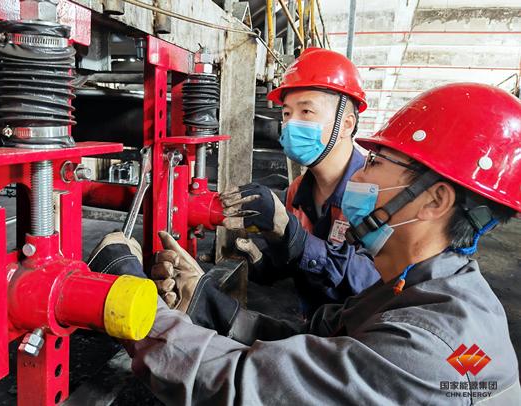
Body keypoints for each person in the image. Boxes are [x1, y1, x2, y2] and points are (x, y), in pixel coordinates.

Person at [91, 83, 521, 404]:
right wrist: (207, 302)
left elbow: (246, 386)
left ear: (435, 200)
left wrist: (130, 299)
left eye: (374, 162)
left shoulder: (428, 350)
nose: (359, 175)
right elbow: (319, 340)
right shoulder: (417, 290)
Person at [221, 48, 380, 315]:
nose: (291, 124)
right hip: (313, 323)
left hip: (361, 335)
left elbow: (373, 282)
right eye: (286, 114)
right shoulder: (297, 191)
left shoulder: (377, 191)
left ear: (346, 125)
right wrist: (263, 257)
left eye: (306, 111)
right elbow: (298, 261)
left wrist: (290, 231)